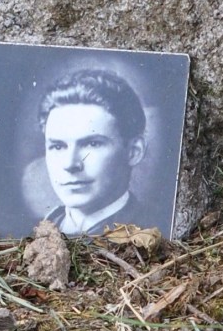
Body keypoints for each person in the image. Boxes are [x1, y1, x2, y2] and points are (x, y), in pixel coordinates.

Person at [38, 68, 147, 236]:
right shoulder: (40, 228)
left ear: (134, 151)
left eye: (92, 144)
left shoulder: (150, 229)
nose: (70, 164)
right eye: (58, 146)